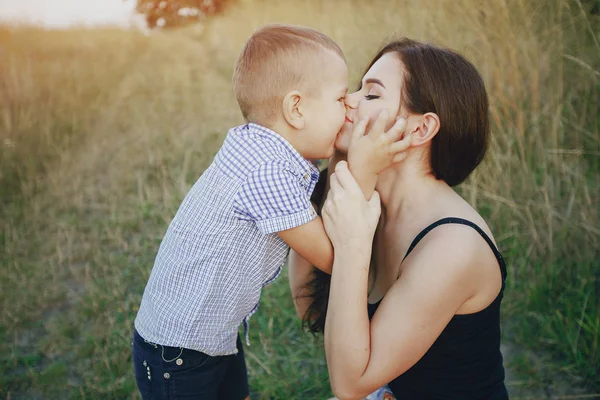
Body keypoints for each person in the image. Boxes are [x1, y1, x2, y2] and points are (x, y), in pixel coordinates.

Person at [131, 24, 411, 400]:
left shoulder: (263, 151)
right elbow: (333, 255)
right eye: (340, 98)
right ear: (296, 108)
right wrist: (363, 167)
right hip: (179, 352)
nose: (349, 108)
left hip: (207, 336)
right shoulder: (267, 173)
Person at [289, 38, 508, 400]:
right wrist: (339, 170)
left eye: (372, 95)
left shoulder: (452, 246)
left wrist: (353, 242)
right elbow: (310, 307)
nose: (350, 100)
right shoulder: (372, 203)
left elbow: (349, 384)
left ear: (420, 130)